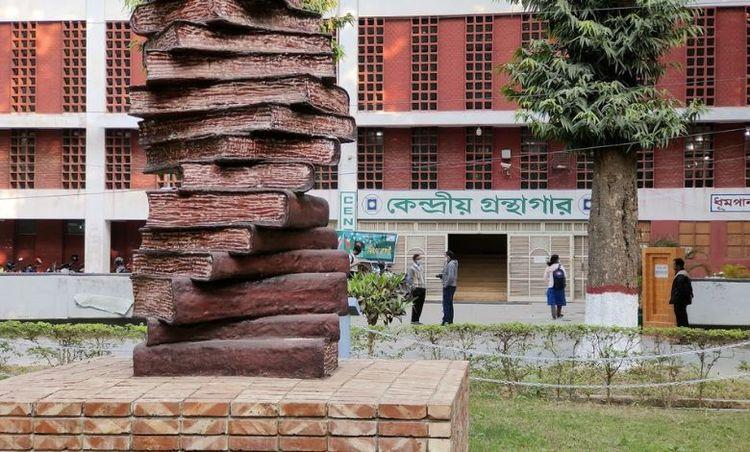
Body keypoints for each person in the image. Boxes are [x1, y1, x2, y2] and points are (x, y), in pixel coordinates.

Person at [670, 258, 693, 327]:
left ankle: (683, 333)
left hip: (679, 301)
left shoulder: (681, 276)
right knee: (682, 317)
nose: (673, 266)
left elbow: (680, 289)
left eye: (674, 264)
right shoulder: (682, 274)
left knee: (681, 318)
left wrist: (676, 299)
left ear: (678, 266)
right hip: (681, 301)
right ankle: (683, 332)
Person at [437, 250, 458, 326]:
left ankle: (446, 320)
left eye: (445, 256)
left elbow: (451, 277)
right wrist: (441, 276)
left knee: (446, 304)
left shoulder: (451, 264)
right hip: (450, 286)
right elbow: (448, 274)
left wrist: (445, 284)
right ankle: (449, 320)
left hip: (449, 286)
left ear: (448, 257)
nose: (444, 258)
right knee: (449, 304)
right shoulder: (450, 263)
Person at [543, 254, 567, 320]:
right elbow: (565, 276)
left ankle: (554, 315)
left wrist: (548, 283)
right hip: (560, 286)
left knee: (552, 301)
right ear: (557, 259)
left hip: (551, 286)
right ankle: (558, 314)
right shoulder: (561, 267)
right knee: (560, 301)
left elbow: (544, 278)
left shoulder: (549, 267)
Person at [406, 253, 427, 325]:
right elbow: (409, 280)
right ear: (415, 260)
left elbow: (422, 278)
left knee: (421, 305)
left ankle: (417, 320)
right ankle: (413, 320)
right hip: (416, 289)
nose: (420, 260)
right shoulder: (412, 268)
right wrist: (412, 287)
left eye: (420, 259)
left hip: (422, 288)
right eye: (418, 259)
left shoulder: (421, 267)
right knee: (415, 305)